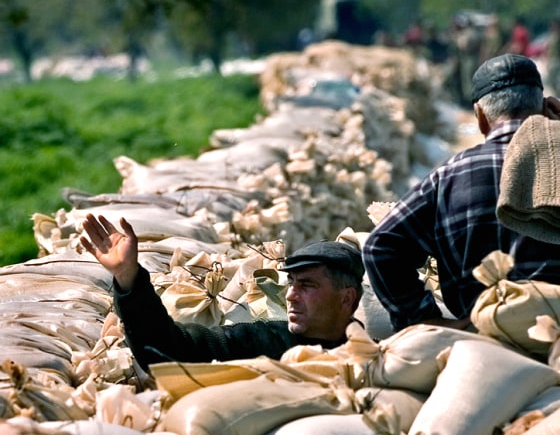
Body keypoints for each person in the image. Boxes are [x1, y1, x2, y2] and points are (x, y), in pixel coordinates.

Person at [363, 53, 560, 333]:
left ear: (480, 116)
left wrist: (424, 319)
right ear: (543, 107)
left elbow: (379, 246)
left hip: (483, 339)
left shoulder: (447, 177)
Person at [79, 214, 364, 371]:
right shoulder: (261, 341)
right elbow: (169, 350)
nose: (290, 295)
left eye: (308, 286)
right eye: (291, 283)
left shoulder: (376, 357)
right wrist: (128, 278)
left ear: (347, 298)